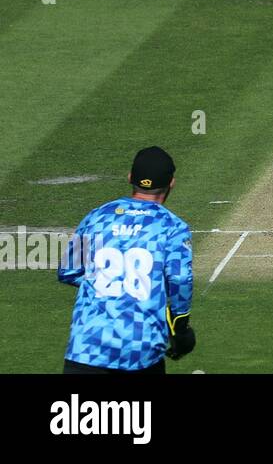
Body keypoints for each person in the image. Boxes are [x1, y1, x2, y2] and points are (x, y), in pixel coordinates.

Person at [57, 146, 195, 374]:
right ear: (171, 183)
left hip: (87, 349)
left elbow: (68, 271)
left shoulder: (97, 217)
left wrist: (111, 283)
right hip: (140, 351)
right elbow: (180, 279)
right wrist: (180, 328)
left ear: (130, 177)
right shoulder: (172, 227)